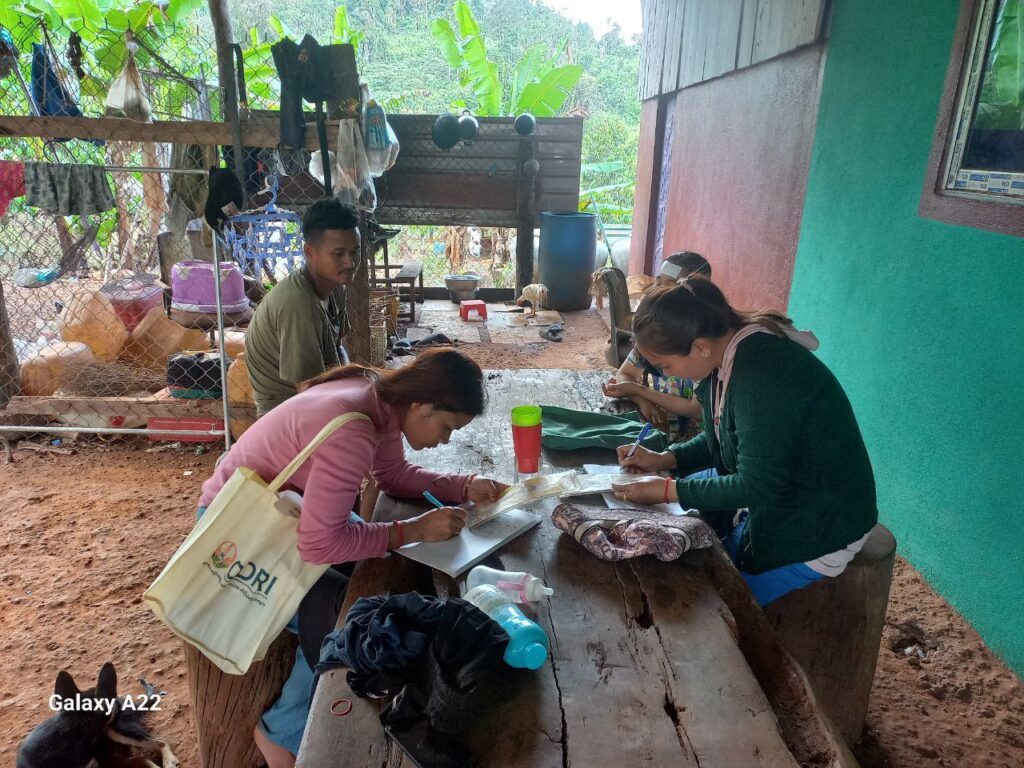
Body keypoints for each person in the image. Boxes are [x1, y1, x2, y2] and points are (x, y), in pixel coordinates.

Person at [196, 348, 508, 767]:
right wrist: (413, 530)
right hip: (239, 542)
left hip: (280, 521)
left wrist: (463, 486)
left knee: (369, 591)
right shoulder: (354, 428)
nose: (445, 440)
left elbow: (391, 475)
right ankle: (281, 734)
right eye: (447, 427)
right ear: (423, 405)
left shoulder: (379, 397)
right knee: (350, 625)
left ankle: (292, 723)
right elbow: (320, 545)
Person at [611, 278, 877, 607]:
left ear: (699, 346)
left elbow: (756, 485)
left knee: (714, 604)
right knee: (677, 518)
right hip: (779, 490)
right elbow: (723, 437)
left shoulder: (759, 375)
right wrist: (665, 460)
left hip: (818, 519)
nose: (671, 375)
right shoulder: (723, 358)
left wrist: (668, 490)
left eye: (667, 366)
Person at [244, 196, 360, 416]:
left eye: (355, 251)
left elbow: (337, 348)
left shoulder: (336, 287)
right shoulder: (298, 304)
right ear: (309, 252)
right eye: (339, 254)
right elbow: (308, 392)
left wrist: (352, 384)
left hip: (314, 397)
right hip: (284, 414)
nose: (350, 262)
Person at [602, 251, 711, 439]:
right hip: (659, 433)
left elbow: (695, 408)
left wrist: (638, 390)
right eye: (657, 282)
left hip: (693, 444)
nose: (655, 290)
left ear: (693, 291)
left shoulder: (704, 346)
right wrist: (641, 400)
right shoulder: (656, 330)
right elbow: (625, 374)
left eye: (668, 284)